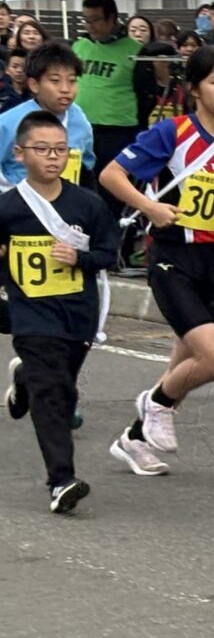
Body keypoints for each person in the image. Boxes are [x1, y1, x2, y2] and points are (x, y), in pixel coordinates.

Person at [100, 48, 214, 476]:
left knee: (184, 363)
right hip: (172, 257)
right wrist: (151, 207)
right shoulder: (171, 133)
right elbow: (111, 175)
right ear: (194, 88)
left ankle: (135, 439)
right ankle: (155, 403)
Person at [0, 110, 118, 514]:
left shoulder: (86, 204)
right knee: (52, 393)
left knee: (63, 390)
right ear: (20, 153)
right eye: (42, 149)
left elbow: (108, 253)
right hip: (31, 316)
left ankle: (25, 381)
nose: (52, 157)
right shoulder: (8, 208)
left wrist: (80, 257)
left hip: (77, 313)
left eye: (60, 150)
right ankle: (61, 480)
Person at [71, 0, 144, 182]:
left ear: (112, 18)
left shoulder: (135, 50)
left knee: (112, 183)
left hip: (116, 130)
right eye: (86, 20)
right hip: (80, 125)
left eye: (95, 20)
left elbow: (144, 93)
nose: (90, 26)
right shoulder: (79, 46)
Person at [0, 43, 94, 189]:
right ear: (34, 85)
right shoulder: (9, 122)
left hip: (66, 203)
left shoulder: (79, 119)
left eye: (72, 81)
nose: (65, 89)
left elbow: (86, 164)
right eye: (55, 81)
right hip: (19, 205)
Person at [0, 47, 27, 114]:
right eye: (14, 66)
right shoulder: (2, 93)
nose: (19, 70)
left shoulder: (34, 95)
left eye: (23, 67)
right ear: (7, 69)